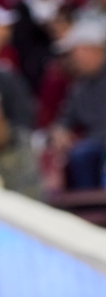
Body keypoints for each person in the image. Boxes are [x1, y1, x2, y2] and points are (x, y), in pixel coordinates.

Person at [52, 17, 106, 189]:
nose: (73, 59)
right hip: (93, 144)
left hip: (98, 142)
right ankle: (87, 210)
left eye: (76, 53)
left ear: (94, 50)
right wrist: (60, 131)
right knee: (79, 154)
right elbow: (65, 118)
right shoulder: (79, 86)